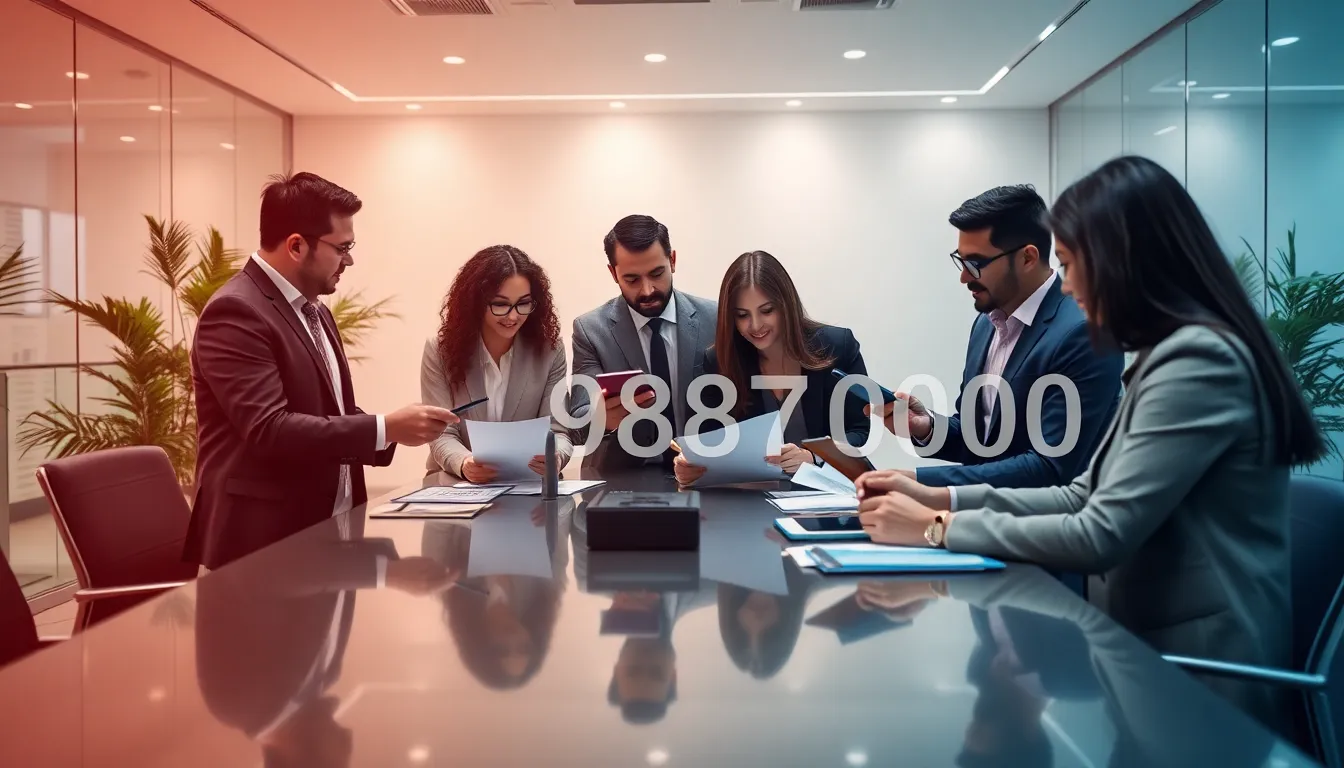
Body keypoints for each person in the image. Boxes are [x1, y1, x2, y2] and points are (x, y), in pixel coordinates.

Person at [854, 155, 1326, 735]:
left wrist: (935, 527)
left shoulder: (1198, 362)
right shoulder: (1169, 354)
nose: (1069, 283)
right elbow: (1082, 494)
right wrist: (939, 499)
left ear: (1126, 262)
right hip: (1143, 656)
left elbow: (1099, 529)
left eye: (1074, 264)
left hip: (1198, 678)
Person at [185, 172, 458, 570]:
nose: (350, 259)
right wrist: (384, 428)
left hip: (327, 537)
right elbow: (269, 429)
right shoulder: (236, 312)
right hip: (262, 549)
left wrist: (399, 430)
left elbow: (327, 415)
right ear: (296, 245)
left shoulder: (316, 311)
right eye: (343, 247)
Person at [872, 184, 1123, 493]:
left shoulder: (1083, 333)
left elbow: (1050, 467)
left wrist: (920, 483)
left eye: (975, 263)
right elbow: (978, 441)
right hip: (984, 525)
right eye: (960, 260)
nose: (964, 276)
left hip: (1050, 532)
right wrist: (926, 428)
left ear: (1028, 258)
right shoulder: (985, 325)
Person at [674, 250, 870, 485]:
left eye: (766, 311)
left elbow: (860, 431)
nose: (755, 326)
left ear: (786, 305)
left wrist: (814, 457)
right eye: (742, 315)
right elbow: (707, 445)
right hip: (753, 502)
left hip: (833, 494)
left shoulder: (837, 347)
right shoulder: (718, 362)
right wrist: (692, 467)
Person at [570, 215, 717, 468]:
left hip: (707, 471)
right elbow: (578, 420)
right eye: (632, 279)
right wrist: (602, 418)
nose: (647, 290)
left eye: (656, 273)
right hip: (622, 476)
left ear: (672, 261)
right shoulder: (590, 330)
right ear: (613, 273)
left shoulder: (715, 319)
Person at [420, 245, 573, 481]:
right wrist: (464, 463)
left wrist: (556, 456)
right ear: (475, 302)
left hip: (528, 484)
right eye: (500, 304)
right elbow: (441, 434)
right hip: (456, 483)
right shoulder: (440, 351)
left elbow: (559, 431)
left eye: (523, 303)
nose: (513, 316)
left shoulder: (550, 351)